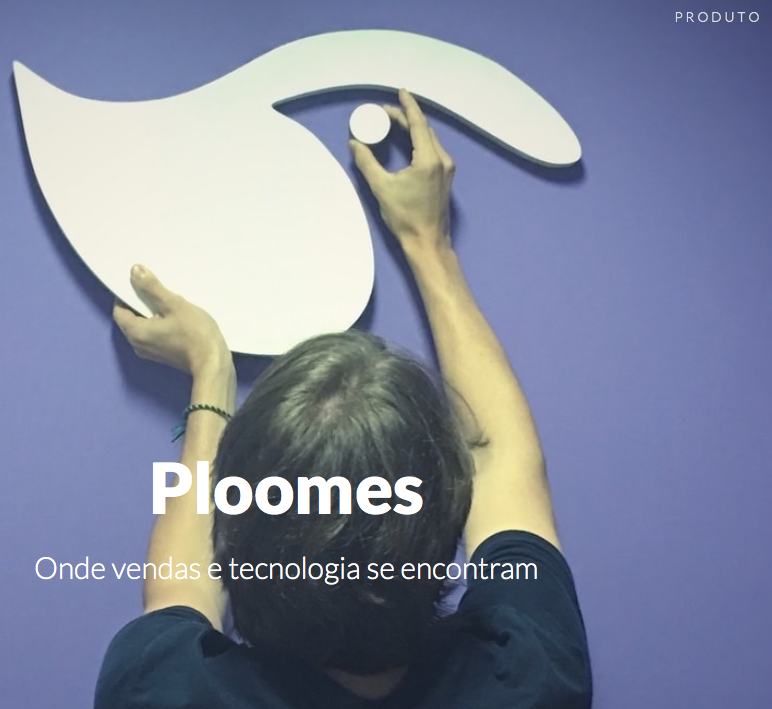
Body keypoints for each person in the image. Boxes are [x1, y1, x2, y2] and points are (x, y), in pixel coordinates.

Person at [99, 88, 591, 708]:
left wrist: (211, 373)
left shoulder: (163, 691)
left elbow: (179, 587)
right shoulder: (530, 677)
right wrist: (429, 245)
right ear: (448, 532)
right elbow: (502, 466)